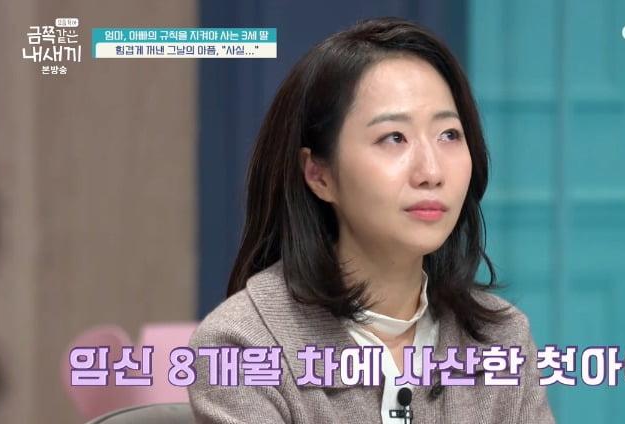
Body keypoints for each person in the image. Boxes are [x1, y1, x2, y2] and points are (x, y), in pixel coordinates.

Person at [188, 17, 555, 423]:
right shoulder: (244, 346)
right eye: (394, 138)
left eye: (449, 135)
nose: (431, 171)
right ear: (319, 174)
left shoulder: (500, 339)